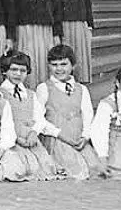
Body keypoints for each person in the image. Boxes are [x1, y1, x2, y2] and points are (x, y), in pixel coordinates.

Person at [35, 45, 103, 180]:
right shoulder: (44, 88)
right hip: (57, 139)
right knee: (76, 169)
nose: (59, 69)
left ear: (73, 66)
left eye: (64, 64)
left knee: (95, 168)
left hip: (78, 139)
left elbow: (88, 115)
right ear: (49, 66)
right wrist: (59, 134)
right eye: (54, 65)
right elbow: (38, 119)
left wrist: (85, 136)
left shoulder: (81, 89)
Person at [0, 50, 64, 181]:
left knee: (46, 165)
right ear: (5, 71)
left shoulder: (30, 94)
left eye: (22, 70)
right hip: (13, 139)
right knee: (27, 166)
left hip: (30, 138)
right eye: (13, 69)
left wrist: (34, 132)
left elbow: (39, 118)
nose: (18, 74)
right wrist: (15, 138)